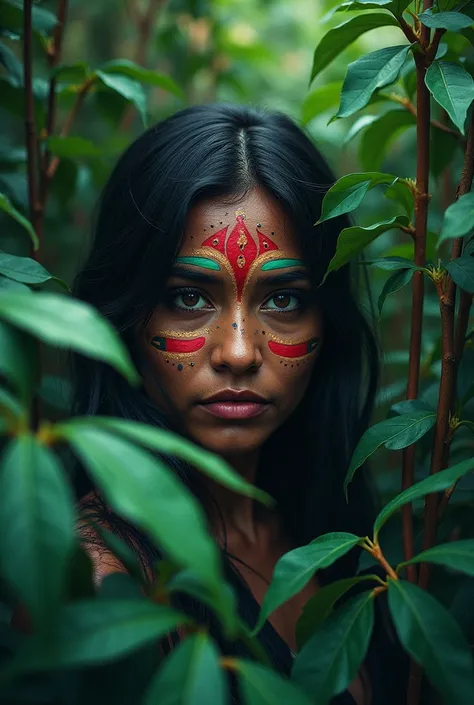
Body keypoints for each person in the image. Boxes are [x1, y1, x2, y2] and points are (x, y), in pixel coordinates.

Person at [71, 103, 405, 705]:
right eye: (187, 296)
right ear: (122, 316)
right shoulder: (102, 582)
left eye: (283, 301)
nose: (239, 352)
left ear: (327, 322)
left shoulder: (350, 534)